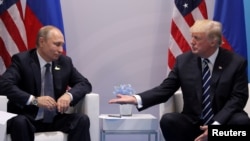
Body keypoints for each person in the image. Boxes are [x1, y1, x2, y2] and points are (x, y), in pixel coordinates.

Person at [109, 19, 250, 141]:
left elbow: (238, 97)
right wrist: (136, 99)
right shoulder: (184, 61)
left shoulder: (235, 62)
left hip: (222, 124)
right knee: (169, 120)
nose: (191, 42)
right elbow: (166, 89)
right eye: (191, 37)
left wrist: (215, 127)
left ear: (213, 41)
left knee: (241, 123)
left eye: (197, 38)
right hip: (193, 123)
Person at [0, 25, 92, 141]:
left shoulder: (64, 62)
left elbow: (84, 84)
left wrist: (69, 96)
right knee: (20, 122)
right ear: (42, 42)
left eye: (62, 45)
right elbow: (4, 85)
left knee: (81, 120)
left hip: (55, 118)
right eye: (57, 44)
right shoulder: (22, 61)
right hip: (28, 118)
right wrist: (35, 100)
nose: (61, 50)